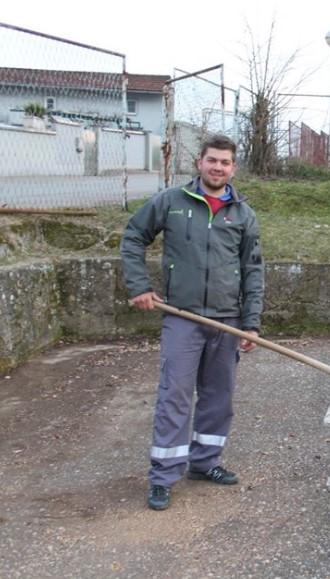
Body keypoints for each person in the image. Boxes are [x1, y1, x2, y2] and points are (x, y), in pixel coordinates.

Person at [120, 135, 264, 511]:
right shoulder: (171, 202)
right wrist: (139, 286)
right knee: (175, 397)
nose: (218, 167)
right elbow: (134, 236)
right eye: (212, 160)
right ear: (199, 162)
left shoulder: (242, 213)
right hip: (181, 317)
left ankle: (205, 463)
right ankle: (163, 476)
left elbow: (253, 271)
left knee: (219, 398)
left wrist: (251, 324)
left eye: (226, 162)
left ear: (233, 168)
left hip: (226, 321)